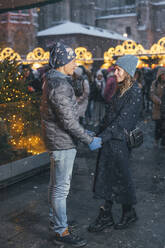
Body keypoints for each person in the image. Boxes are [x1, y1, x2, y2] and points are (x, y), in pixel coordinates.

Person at [40, 42, 102, 247]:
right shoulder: (59, 85)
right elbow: (67, 121)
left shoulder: (55, 81)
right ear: (61, 62)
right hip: (62, 142)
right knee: (61, 188)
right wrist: (88, 138)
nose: (75, 62)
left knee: (55, 185)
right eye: (72, 59)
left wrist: (84, 132)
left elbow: (67, 116)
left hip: (58, 140)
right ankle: (61, 230)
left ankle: (56, 220)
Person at [88, 55, 142, 232]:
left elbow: (122, 122)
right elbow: (110, 116)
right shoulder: (121, 89)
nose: (115, 72)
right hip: (110, 142)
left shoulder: (134, 91)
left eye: (118, 69)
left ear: (128, 72)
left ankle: (125, 213)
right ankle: (110, 214)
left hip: (119, 143)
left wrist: (102, 138)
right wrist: (96, 133)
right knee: (110, 178)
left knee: (119, 178)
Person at [150, 67, 165, 147]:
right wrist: (158, 100)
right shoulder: (155, 83)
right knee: (158, 126)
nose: (164, 76)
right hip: (158, 109)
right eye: (162, 75)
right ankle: (156, 140)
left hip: (164, 109)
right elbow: (152, 94)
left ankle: (163, 142)